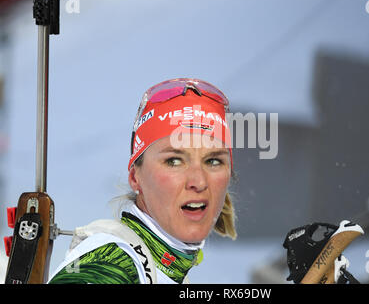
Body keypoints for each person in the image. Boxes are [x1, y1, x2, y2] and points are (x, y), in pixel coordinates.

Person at [49, 78, 237, 284]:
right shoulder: (111, 263)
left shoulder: (163, 268)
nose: (199, 181)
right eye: (174, 161)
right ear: (135, 177)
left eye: (213, 161)